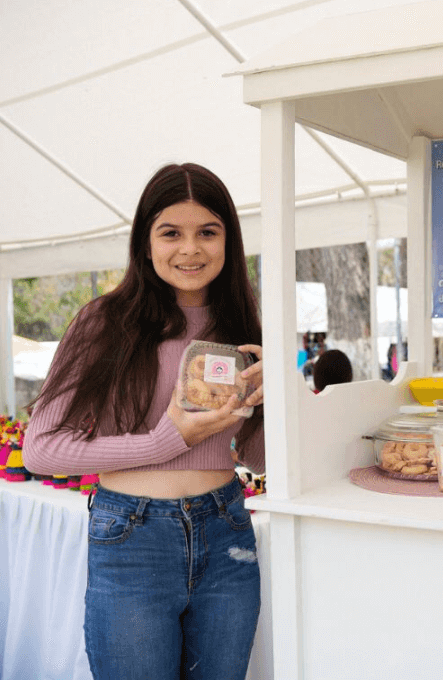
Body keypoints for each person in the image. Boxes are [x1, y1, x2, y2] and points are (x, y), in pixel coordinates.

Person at [24, 163, 265, 680]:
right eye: (171, 233)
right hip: (132, 536)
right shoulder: (103, 322)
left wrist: (277, 405)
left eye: (208, 232)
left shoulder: (244, 325)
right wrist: (164, 440)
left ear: (229, 239)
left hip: (227, 532)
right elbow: (41, 450)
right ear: (145, 241)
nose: (190, 249)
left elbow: (260, 458)